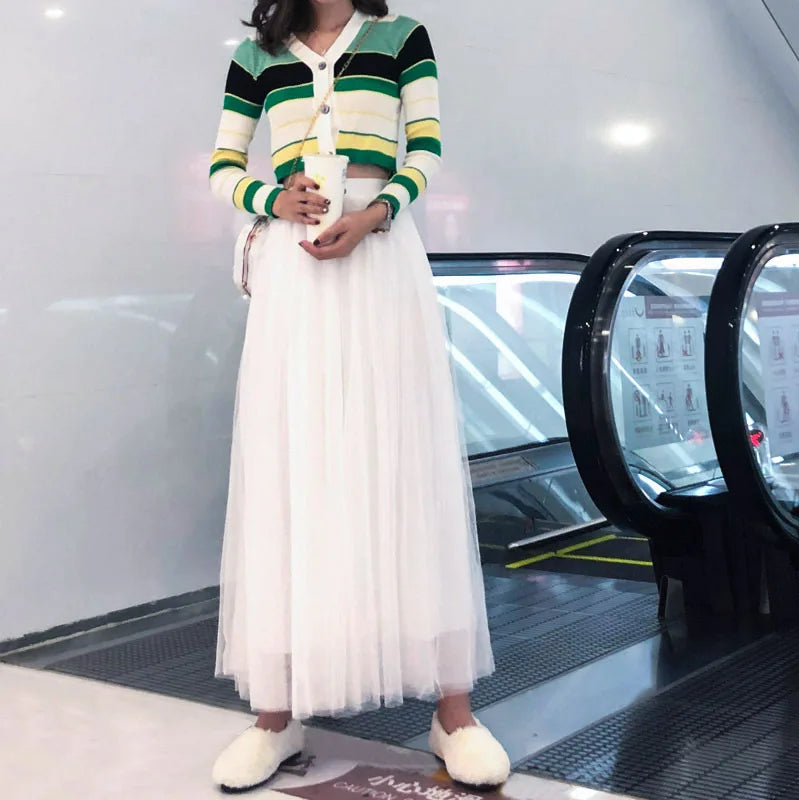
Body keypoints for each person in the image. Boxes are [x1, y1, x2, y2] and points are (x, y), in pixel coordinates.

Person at [208, 0, 511, 792]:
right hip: (294, 272)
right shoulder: (256, 54)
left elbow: (427, 148)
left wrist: (377, 211)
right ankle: (275, 714)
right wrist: (271, 200)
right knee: (291, 465)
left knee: (405, 463)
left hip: (381, 262)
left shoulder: (402, 38)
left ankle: (453, 711)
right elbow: (223, 164)